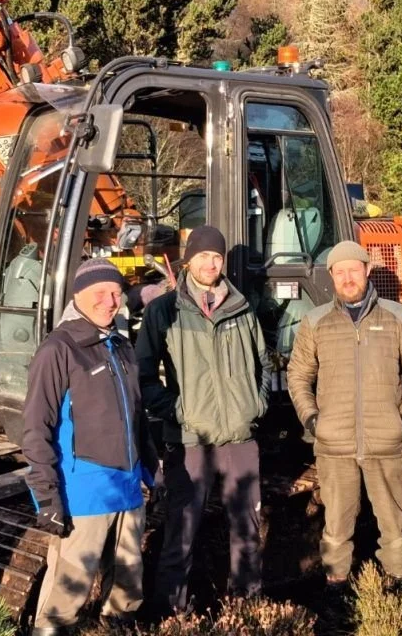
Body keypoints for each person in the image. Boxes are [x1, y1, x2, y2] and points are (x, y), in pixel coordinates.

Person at [286, 240, 402, 594]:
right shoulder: (315, 321)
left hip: (385, 440)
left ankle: (397, 584)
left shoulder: (398, 317)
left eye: (354, 269)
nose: (348, 277)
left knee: (394, 521)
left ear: (367, 271)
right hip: (333, 444)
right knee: (336, 523)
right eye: (340, 272)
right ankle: (336, 586)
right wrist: (312, 420)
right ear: (332, 277)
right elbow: (298, 375)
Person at [136, 224, 271, 613]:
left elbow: (262, 361)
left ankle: (246, 605)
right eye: (203, 256)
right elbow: (144, 375)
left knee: (246, 527)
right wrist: (180, 413)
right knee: (182, 528)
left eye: (217, 256)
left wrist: (255, 405)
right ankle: (172, 609)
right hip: (191, 440)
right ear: (189, 261)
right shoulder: (164, 311)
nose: (211, 264)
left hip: (240, 438)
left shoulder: (241, 307)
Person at [22, 258, 156, 636]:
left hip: (128, 489)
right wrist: (46, 498)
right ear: (78, 295)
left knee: (128, 584)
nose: (110, 301)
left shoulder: (121, 345)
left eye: (116, 293)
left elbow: (137, 417)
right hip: (84, 494)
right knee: (68, 592)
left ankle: (118, 627)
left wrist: (150, 470)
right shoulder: (59, 349)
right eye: (100, 293)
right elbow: (35, 428)